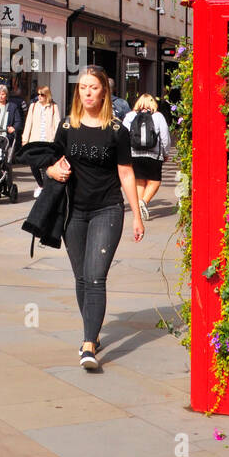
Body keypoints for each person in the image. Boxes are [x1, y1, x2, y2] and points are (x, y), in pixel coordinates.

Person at [45, 64, 143, 370]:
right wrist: (52, 170)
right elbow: (48, 162)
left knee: (96, 276)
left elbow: (126, 174)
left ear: (104, 92)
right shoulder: (66, 126)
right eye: (83, 87)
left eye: (94, 87)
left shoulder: (117, 131)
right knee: (81, 277)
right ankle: (92, 330)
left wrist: (137, 215)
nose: (88, 92)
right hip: (73, 210)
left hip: (107, 208)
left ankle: (88, 344)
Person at [122, 93, 171, 221]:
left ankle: (139, 209)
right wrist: (165, 153)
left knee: (140, 181)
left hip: (134, 154)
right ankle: (143, 202)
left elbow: (123, 135)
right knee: (154, 181)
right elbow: (165, 137)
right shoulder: (158, 116)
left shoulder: (130, 116)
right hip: (153, 155)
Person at [20, 85, 60, 198]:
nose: (39, 97)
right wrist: (25, 140)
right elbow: (28, 124)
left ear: (47, 95)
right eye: (38, 94)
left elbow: (57, 124)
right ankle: (41, 185)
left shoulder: (53, 107)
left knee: (47, 166)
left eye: (42, 94)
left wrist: (57, 141)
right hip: (35, 141)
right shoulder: (33, 106)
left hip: (48, 141)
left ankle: (46, 187)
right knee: (33, 165)